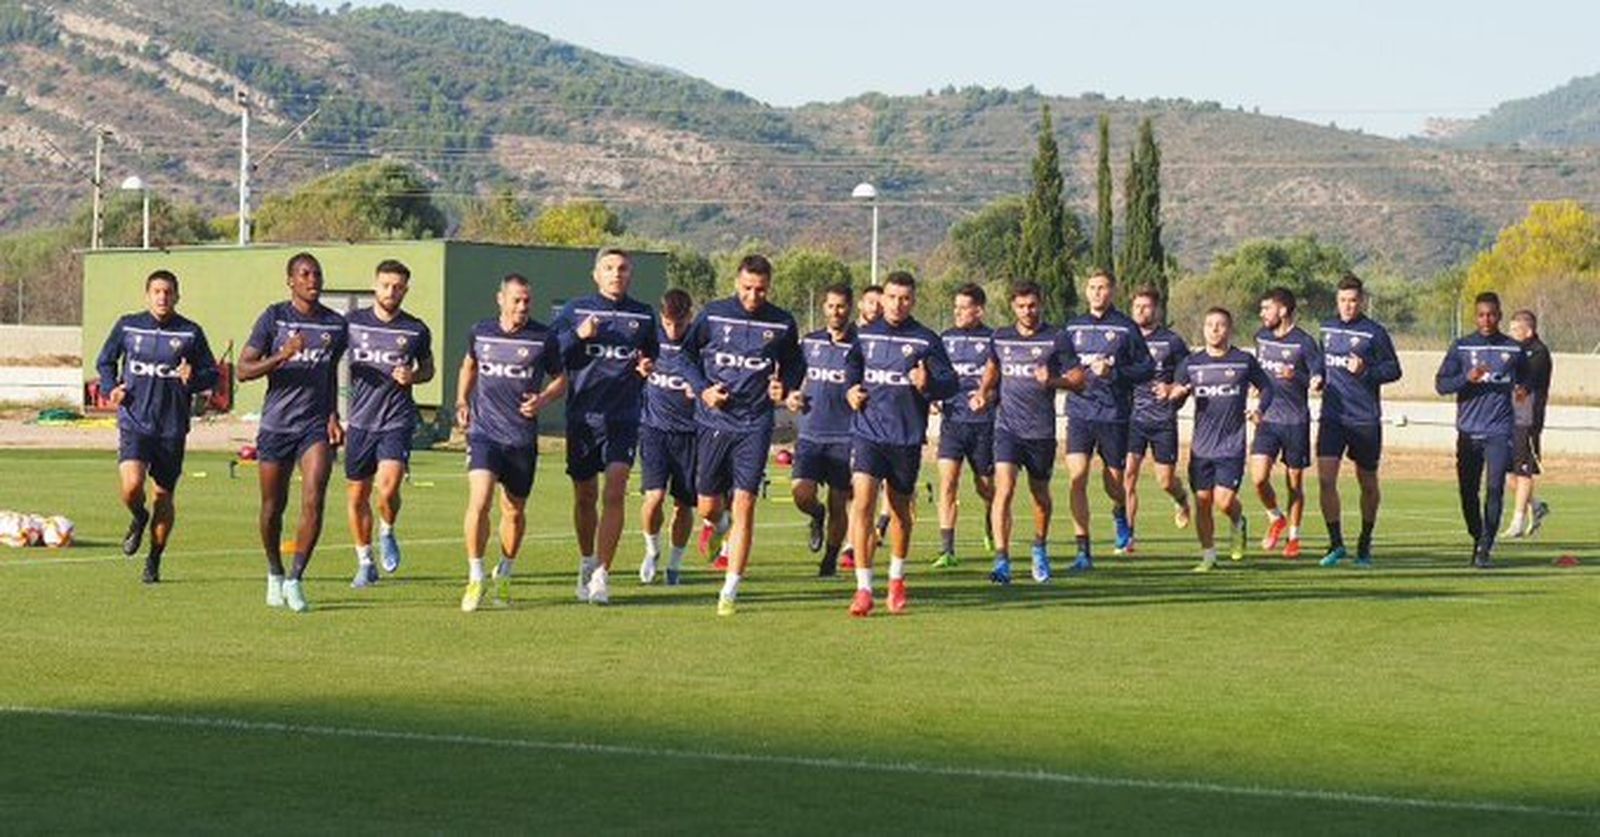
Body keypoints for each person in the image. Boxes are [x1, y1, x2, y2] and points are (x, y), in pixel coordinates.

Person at [679, 254, 804, 615]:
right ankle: (716, 526)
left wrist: (787, 386)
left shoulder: (781, 322)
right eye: (748, 289)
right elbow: (685, 357)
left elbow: (794, 363)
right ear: (737, 283)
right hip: (713, 421)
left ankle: (730, 590)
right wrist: (703, 389)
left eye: (761, 290)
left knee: (745, 502)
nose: (753, 297)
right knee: (707, 504)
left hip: (755, 422)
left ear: (770, 287)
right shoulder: (714, 315)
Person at [237, 253, 349, 613]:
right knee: (273, 508)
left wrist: (333, 413)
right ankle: (274, 571)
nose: (313, 279)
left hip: (314, 426)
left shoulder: (335, 325)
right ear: (291, 281)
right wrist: (283, 355)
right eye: (305, 274)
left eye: (317, 273)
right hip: (276, 425)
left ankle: (296, 579)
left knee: (314, 497)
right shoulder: (275, 317)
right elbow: (243, 370)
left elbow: (330, 372)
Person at [842, 271, 958, 616]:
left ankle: (896, 577)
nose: (897, 304)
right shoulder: (864, 335)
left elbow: (950, 383)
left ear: (913, 301)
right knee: (862, 502)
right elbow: (852, 368)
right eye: (891, 297)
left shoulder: (926, 340)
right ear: (882, 299)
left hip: (905, 438)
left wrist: (928, 384)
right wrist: (851, 389)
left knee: (899, 512)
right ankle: (863, 588)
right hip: (868, 433)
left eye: (904, 298)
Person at [95, 269, 218, 584]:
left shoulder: (190, 333)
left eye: (168, 292)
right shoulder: (128, 325)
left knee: (163, 496)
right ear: (147, 295)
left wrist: (195, 378)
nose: (162, 297)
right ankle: (138, 516)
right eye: (157, 291)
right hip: (135, 422)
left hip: (171, 428)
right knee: (132, 486)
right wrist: (112, 387)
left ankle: (154, 559)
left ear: (177, 296)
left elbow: (211, 374)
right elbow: (105, 361)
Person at [553, 248, 659, 606]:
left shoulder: (643, 315)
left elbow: (650, 356)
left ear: (631, 274)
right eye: (609, 268)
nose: (617, 274)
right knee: (585, 496)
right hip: (583, 418)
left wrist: (647, 367)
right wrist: (578, 336)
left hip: (624, 417)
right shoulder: (575, 311)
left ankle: (602, 574)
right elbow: (552, 354)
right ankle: (586, 561)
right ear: (595, 274)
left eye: (623, 268)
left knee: (614, 490)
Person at [455, 274, 566, 612]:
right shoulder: (481, 331)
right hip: (484, 433)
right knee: (480, 500)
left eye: (527, 301)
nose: (522, 306)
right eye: (516, 300)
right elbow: (469, 365)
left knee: (514, 511)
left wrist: (543, 399)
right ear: (500, 299)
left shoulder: (544, 337)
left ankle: (505, 571)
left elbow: (561, 379)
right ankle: (475, 576)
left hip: (520, 438)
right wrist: (462, 400)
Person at [981, 282, 1084, 585]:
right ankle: (1002, 560)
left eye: (1032, 305)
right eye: (1021, 306)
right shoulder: (1000, 337)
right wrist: (983, 392)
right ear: (1012, 306)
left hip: (1040, 432)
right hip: (1006, 427)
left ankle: (1039, 548)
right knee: (1005, 489)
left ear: (1041, 304)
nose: (1027, 311)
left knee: (1040, 495)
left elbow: (1079, 379)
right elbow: (992, 368)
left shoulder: (1057, 337)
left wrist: (1052, 381)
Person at [343, 260, 434, 589]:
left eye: (398, 287)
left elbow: (428, 369)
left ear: (405, 290)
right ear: (375, 285)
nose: (391, 292)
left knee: (388, 488)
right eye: (386, 285)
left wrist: (413, 376)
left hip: (396, 419)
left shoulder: (416, 329)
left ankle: (387, 530)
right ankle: (365, 561)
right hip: (360, 421)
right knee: (357, 496)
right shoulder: (352, 323)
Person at [1166, 307, 1274, 573]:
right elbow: (1174, 400)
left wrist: (1259, 409)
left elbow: (1267, 387)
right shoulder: (1192, 363)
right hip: (1201, 447)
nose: (1214, 329)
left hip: (1231, 445)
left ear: (1230, 329)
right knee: (1202, 502)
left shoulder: (1243, 361)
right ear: (1203, 329)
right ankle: (1209, 555)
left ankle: (1238, 520)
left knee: (1223, 502)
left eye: (1220, 325)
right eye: (1209, 324)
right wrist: (1175, 394)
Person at [1064, 270, 1154, 571]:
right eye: (1092, 287)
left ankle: (1119, 512)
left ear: (1112, 292)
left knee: (1114, 483)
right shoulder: (1073, 326)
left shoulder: (1126, 328)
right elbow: (1058, 362)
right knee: (1077, 478)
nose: (1097, 293)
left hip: (1114, 415)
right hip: (1079, 412)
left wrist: (1114, 373)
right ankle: (1083, 551)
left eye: (1102, 288)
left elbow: (1146, 369)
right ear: (1085, 291)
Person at [1315, 273, 1402, 568]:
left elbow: (1393, 370)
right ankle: (1336, 542)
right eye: (1342, 300)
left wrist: (1366, 370)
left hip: (1363, 419)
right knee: (1325, 480)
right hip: (1332, 418)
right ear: (1336, 301)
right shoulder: (1326, 328)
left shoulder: (1374, 333)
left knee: (1367, 483)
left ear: (1361, 301)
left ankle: (1365, 541)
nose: (1348, 306)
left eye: (1353, 301)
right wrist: (1316, 376)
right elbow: (1319, 360)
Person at [1435, 292, 1526, 568]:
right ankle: (1477, 535)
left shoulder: (1513, 350)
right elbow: (1441, 385)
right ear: (1475, 317)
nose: (1486, 320)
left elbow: (1524, 380)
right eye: (1481, 315)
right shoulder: (1461, 347)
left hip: (1499, 431)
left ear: (1499, 316)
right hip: (1468, 431)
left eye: (1492, 314)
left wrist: (1522, 390)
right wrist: (1466, 378)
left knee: (1495, 487)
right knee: (1467, 490)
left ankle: (1485, 546)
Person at [786, 283, 856, 577]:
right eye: (830, 306)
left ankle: (829, 559)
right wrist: (790, 395)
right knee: (801, 493)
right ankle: (816, 514)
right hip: (810, 433)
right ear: (823, 307)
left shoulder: (861, 346)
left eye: (841, 306)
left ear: (849, 309)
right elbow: (793, 378)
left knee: (840, 503)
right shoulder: (810, 342)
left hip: (845, 436)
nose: (835, 311)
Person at [1249, 287, 1323, 559]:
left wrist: (1301, 378)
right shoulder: (1261, 337)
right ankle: (1275, 517)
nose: (1262, 313)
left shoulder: (1304, 342)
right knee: (1258, 478)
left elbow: (1317, 379)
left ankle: (1293, 537)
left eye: (1266, 308)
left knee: (1294, 484)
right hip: (1268, 419)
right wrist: (1255, 390)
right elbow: (1258, 372)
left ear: (1282, 310)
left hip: (1295, 422)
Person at [931, 283, 997, 569]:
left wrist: (987, 396)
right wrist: (931, 395)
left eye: (963, 307)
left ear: (978, 310)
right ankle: (947, 550)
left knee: (986, 487)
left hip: (984, 425)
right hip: (952, 423)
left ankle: (989, 520)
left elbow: (1002, 383)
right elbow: (935, 377)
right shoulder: (944, 340)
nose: (957, 311)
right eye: (955, 306)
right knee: (947, 483)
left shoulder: (994, 340)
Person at [1122, 287, 1191, 555]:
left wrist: (1174, 388)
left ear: (1157, 310)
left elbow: (1190, 373)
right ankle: (1128, 536)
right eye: (1136, 306)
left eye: (1146, 306)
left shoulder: (1171, 342)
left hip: (1162, 420)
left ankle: (1181, 498)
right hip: (1133, 419)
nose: (1140, 311)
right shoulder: (1125, 339)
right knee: (1128, 476)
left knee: (1165, 480)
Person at [637, 289, 698, 586]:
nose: (674, 329)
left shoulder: (700, 341)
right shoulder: (651, 337)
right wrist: (639, 369)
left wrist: (699, 389)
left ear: (689, 316)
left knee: (683, 504)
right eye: (668, 323)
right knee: (654, 497)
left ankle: (675, 564)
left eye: (680, 323)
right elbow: (632, 364)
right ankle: (651, 551)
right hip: (654, 429)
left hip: (690, 433)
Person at [1503, 309, 1552, 538]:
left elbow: (1525, 384)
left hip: (1527, 418)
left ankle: (1518, 521)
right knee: (1506, 473)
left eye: (1515, 329)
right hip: (1508, 417)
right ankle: (1536, 505)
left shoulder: (1538, 353)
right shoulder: (1514, 351)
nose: (1510, 333)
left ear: (1528, 331)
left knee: (1524, 471)